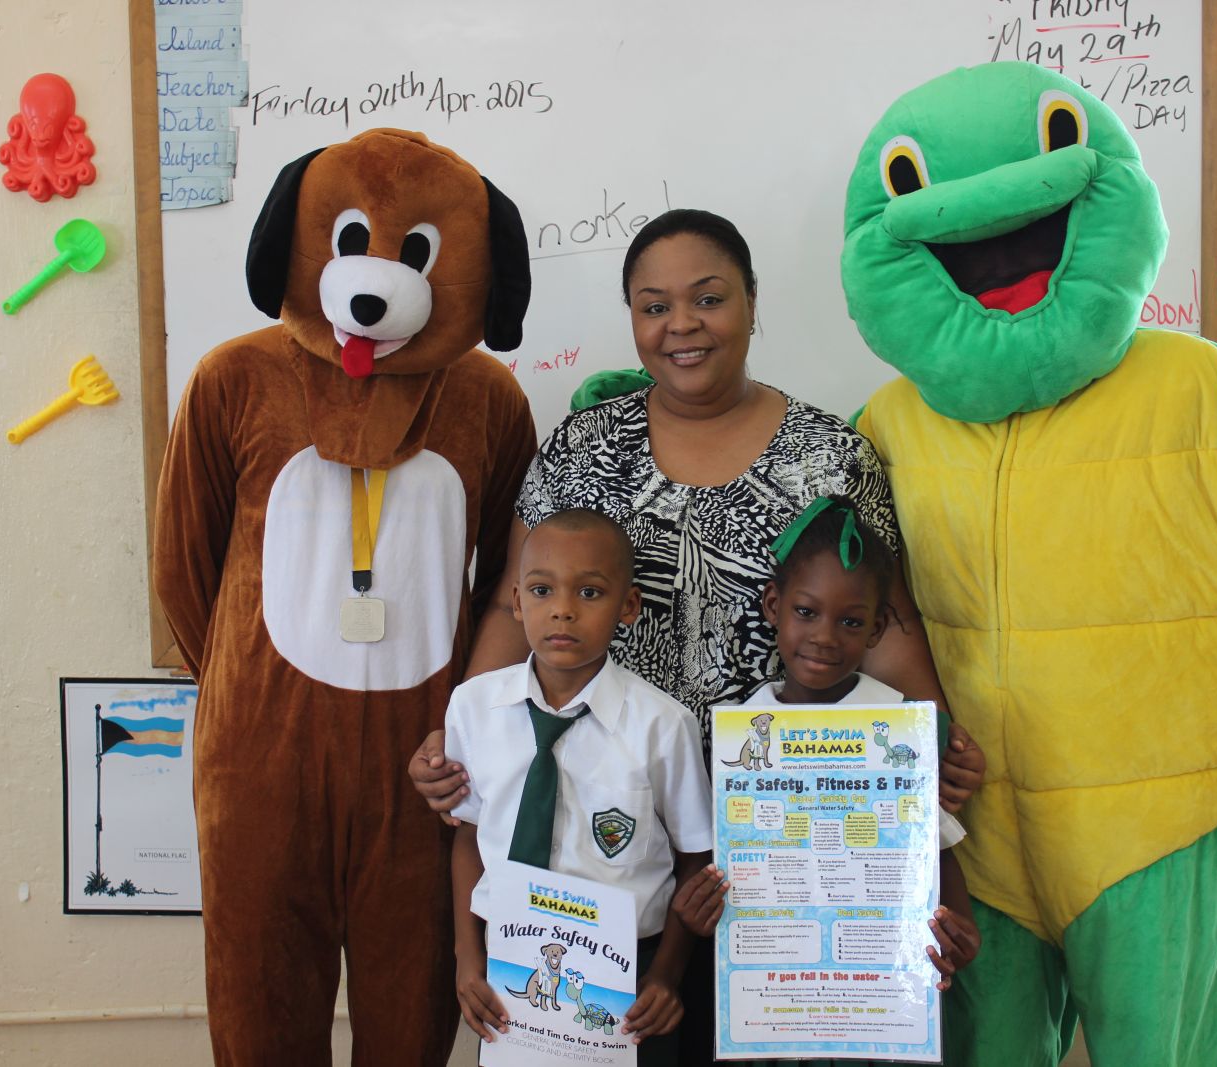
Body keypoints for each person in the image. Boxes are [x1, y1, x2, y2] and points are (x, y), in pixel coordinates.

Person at [414, 208, 985, 1062]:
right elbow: (508, 606)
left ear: (752, 301)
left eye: (708, 298)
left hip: (787, 843)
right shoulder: (581, 448)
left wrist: (932, 743)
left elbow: (886, 622)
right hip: (614, 853)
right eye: (654, 306)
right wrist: (460, 738)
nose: (680, 324)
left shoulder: (831, 456)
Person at [672, 498, 979, 1067]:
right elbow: (722, 862)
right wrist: (694, 914)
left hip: (878, 1013)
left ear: (877, 628)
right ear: (774, 606)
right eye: (807, 612)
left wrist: (958, 931)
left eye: (851, 621)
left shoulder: (897, 726)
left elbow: (931, 849)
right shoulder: (743, 732)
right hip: (769, 1013)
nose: (825, 636)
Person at [444, 509, 712, 1064]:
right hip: (508, 963)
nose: (562, 609)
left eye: (589, 592)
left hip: (629, 978)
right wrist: (467, 957)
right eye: (542, 590)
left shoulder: (663, 726)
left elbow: (695, 860)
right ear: (517, 602)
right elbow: (469, 835)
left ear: (628, 607)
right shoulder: (473, 707)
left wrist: (666, 975)